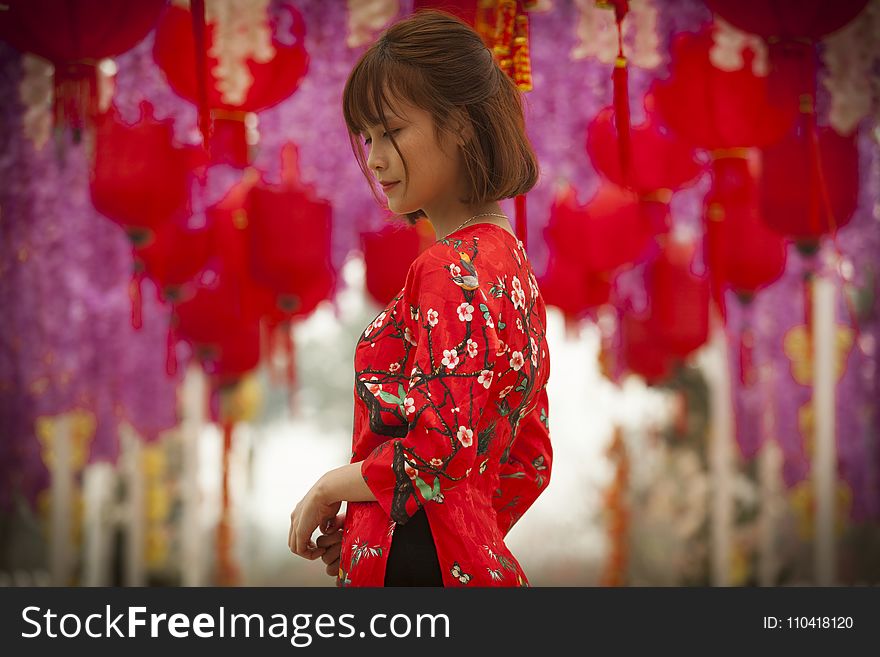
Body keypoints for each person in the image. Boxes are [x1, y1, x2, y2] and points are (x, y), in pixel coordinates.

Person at [288, 9, 552, 587]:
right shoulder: (515, 269)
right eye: (369, 137)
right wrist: (379, 529)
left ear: (460, 124)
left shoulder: (446, 268)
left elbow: (439, 447)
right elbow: (530, 461)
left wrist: (335, 487)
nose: (376, 159)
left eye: (393, 131)